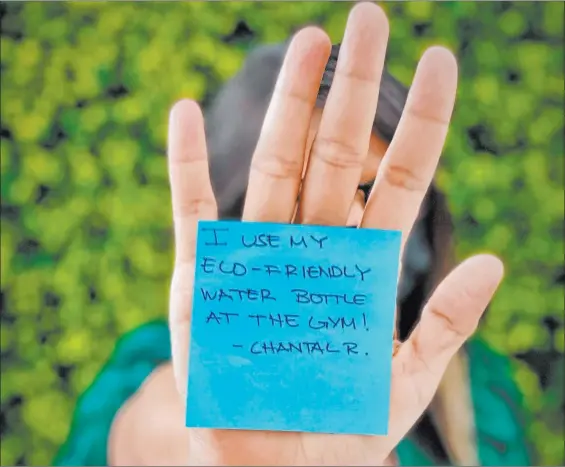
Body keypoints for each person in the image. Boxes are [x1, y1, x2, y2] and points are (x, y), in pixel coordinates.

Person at [54, 3, 532, 466]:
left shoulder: (471, 389)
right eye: (300, 197)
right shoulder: (167, 372)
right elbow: (156, 435)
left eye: (369, 189)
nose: (347, 219)